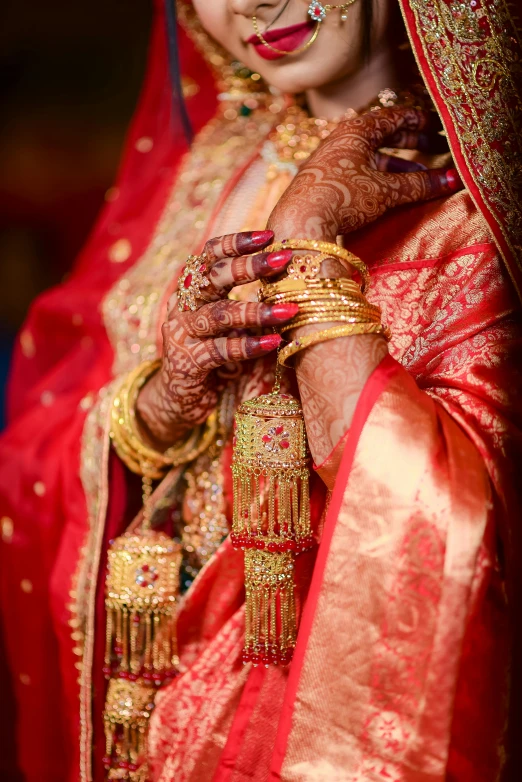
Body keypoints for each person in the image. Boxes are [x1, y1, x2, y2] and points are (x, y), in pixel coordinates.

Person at [1, 0, 521, 780]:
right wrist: (155, 410)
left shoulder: (483, 202)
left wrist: (308, 243)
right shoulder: (216, 160)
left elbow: (445, 536)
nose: (250, 3)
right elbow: (36, 442)